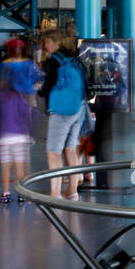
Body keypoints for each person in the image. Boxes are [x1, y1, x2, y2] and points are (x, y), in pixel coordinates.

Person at [39, 30, 86, 199]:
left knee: (53, 152)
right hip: (77, 107)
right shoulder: (73, 58)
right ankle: (72, 191)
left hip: (61, 110)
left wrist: (40, 90)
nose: (46, 46)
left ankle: (55, 194)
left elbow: (48, 84)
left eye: (49, 42)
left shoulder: (54, 61)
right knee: (70, 149)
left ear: (57, 43)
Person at [0, 77, 33, 204]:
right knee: (19, 165)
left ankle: (6, 193)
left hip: (4, 136)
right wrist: (29, 131)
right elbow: (26, 113)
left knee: (6, 166)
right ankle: (21, 194)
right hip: (19, 135)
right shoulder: (18, 96)